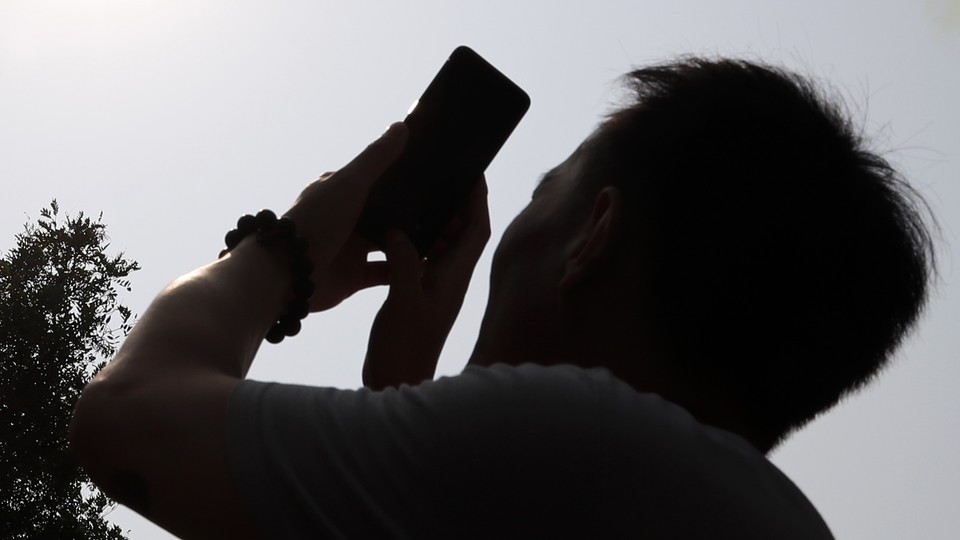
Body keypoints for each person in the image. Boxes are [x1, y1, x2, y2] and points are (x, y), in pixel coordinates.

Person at [70, 57, 935, 539]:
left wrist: (286, 245)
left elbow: (126, 422)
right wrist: (406, 395)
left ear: (593, 236)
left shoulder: (581, 439)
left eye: (540, 195)